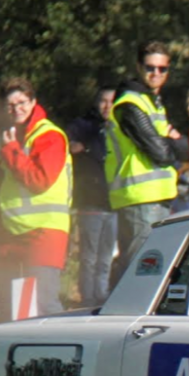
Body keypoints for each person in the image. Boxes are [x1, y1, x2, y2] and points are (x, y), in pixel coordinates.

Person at [0, 77, 72, 316]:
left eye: (22, 102)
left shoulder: (49, 136)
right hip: (10, 233)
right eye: (10, 105)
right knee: (13, 308)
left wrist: (11, 151)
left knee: (44, 305)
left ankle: (62, 341)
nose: (17, 109)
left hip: (44, 232)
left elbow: (39, 180)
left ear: (34, 102)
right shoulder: (8, 138)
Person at [106, 40, 188, 287]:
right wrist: (174, 142)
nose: (156, 73)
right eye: (150, 68)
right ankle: (118, 310)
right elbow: (161, 152)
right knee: (138, 271)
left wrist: (175, 144)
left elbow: (184, 149)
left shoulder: (152, 102)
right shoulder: (130, 104)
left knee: (149, 272)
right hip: (140, 199)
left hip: (155, 197)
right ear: (139, 67)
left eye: (162, 69)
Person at [65, 86, 116, 307]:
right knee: (88, 256)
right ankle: (87, 300)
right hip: (90, 203)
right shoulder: (82, 126)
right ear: (96, 103)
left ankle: (102, 299)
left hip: (114, 203)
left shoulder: (122, 128)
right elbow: (69, 146)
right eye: (103, 101)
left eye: (112, 101)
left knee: (106, 258)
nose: (107, 106)